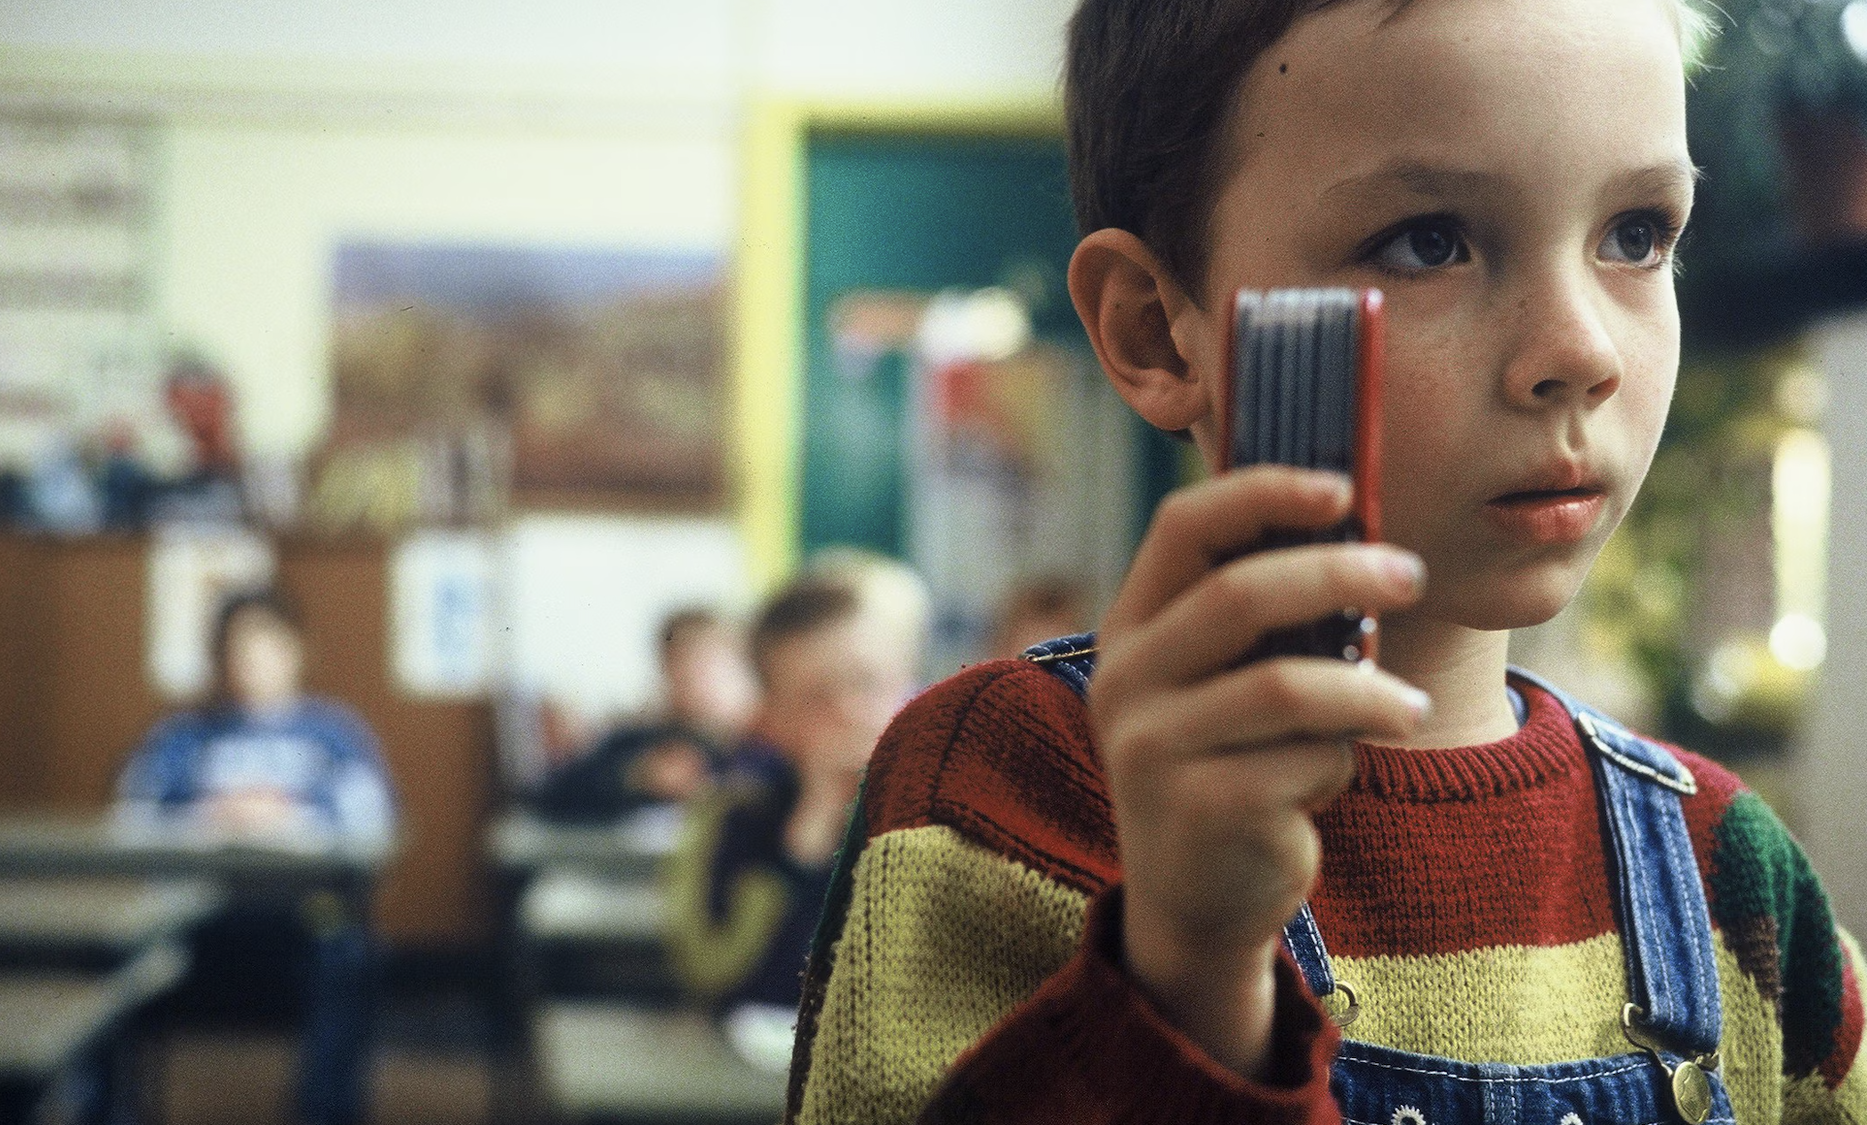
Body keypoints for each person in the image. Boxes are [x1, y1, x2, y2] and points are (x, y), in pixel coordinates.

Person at [784, 2, 1866, 1123]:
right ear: (1158, 332)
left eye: (1635, 234)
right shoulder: (1009, 790)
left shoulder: (1725, 870)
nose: (1581, 350)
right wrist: (1186, 976)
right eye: (1428, 241)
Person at [115, 587, 394, 1125]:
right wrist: (210, 815)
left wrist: (288, 817)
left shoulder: (335, 735)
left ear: (295, 651)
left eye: (263, 643)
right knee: (116, 957)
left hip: (302, 915)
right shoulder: (182, 737)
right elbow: (133, 818)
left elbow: (373, 825)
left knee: (349, 953)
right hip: (194, 916)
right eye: (233, 647)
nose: (247, 660)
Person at [664, 577, 910, 1073]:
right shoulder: (740, 813)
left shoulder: (952, 809)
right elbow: (724, 984)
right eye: (817, 698)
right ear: (772, 717)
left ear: (904, 683)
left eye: (866, 683)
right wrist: (807, 839)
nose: (849, 711)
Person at [525, 605, 758, 822]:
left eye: (705, 665)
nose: (693, 681)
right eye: (679, 666)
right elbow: (551, 794)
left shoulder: (760, 741)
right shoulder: (639, 740)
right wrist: (637, 776)